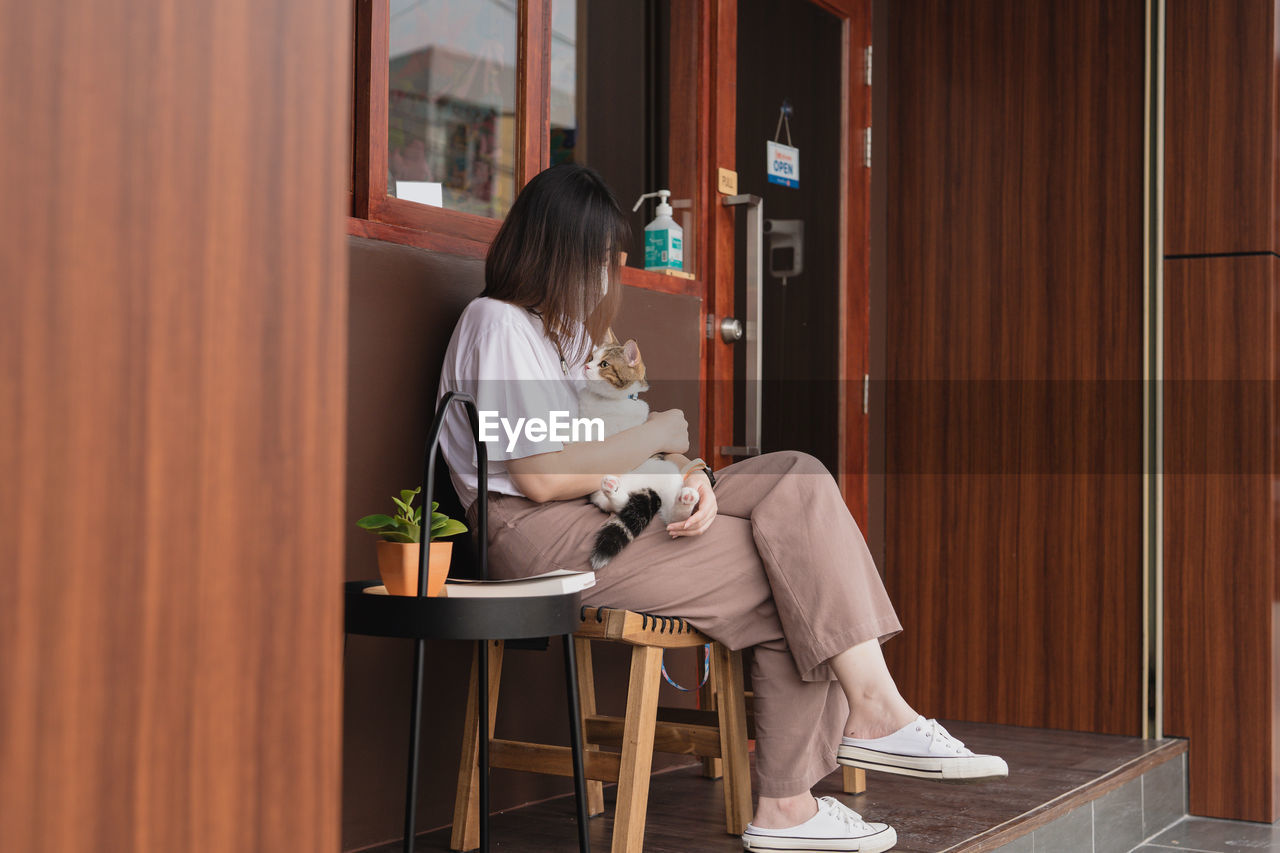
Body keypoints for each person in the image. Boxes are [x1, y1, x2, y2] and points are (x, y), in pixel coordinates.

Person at [437, 164, 1007, 853]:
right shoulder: (495, 322)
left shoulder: (567, 339)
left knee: (799, 477)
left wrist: (694, 471)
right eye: (595, 260)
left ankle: (865, 722)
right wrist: (657, 438)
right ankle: (800, 791)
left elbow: (628, 438)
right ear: (557, 251)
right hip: (537, 536)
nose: (601, 278)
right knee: (790, 571)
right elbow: (540, 475)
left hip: (610, 506)